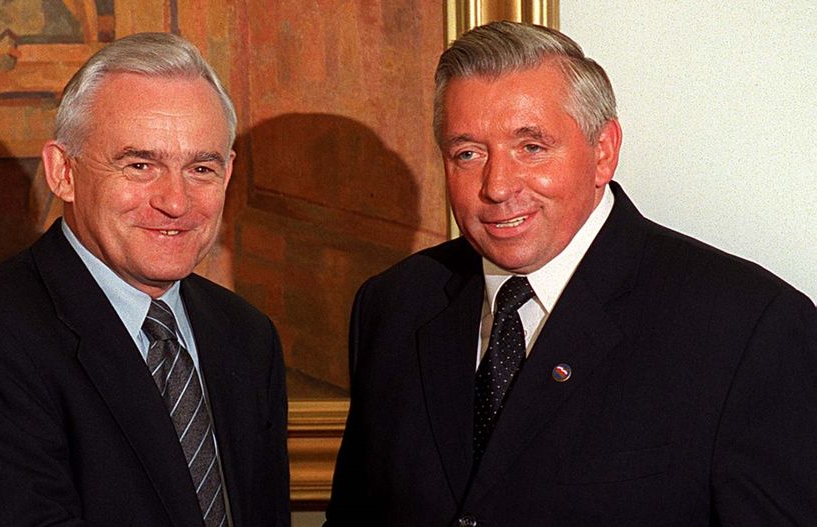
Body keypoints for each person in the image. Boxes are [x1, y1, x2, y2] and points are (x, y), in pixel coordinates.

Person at [325, 21, 817, 527]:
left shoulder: (748, 328)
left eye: (531, 147)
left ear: (603, 152)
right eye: (468, 154)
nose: (497, 186)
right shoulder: (396, 304)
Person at [0, 33, 290, 526]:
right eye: (140, 165)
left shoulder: (246, 335)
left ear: (228, 174)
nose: (176, 201)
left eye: (201, 168)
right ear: (63, 172)